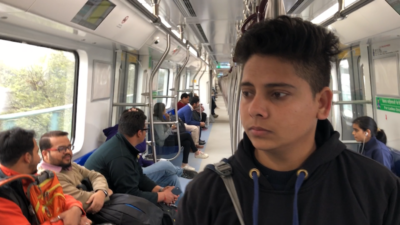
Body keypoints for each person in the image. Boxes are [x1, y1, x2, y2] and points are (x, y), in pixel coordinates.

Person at [177, 16, 400, 225]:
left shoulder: (377, 189)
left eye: (278, 94)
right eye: (247, 93)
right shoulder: (206, 194)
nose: (255, 109)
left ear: (322, 103)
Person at [84, 108, 179, 205]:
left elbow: (139, 176)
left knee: (172, 179)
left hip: (116, 193)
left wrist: (161, 190)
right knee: (168, 171)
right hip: (105, 201)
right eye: (145, 129)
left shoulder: (123, 144)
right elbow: (130, 195)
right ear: (139, 133)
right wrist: (163, 196)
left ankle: (178, 210)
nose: (146, 133)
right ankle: (179, 211)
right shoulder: (121, 156)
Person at [0, 127, 90, 225]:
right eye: (37, 152)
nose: (40, 158)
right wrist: (66, 221)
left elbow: (57, 196)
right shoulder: (3, 198)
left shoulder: (28, 177)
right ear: (27, 157)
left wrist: (75, 208)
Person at [37, 131, 113, 214]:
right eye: (61, 149)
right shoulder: (49, 177)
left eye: (69, 147)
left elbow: (95, 175)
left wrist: (101, 191)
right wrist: (106, 192)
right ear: (45, 154)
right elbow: (83, 202)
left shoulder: (70, 165)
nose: (68, 152)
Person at [153, 103, 208, 171]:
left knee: (187, 143)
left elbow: (165, 129)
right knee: (187, 135)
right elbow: (162, 137)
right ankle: (196, 152)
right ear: (161, 110)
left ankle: (184, 164)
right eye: (164, 109)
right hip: (164, 141)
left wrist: (168, 120)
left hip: (168, 137)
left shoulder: (160, 118)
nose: (165, 111)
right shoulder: (156, 121)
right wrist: (171, 128)